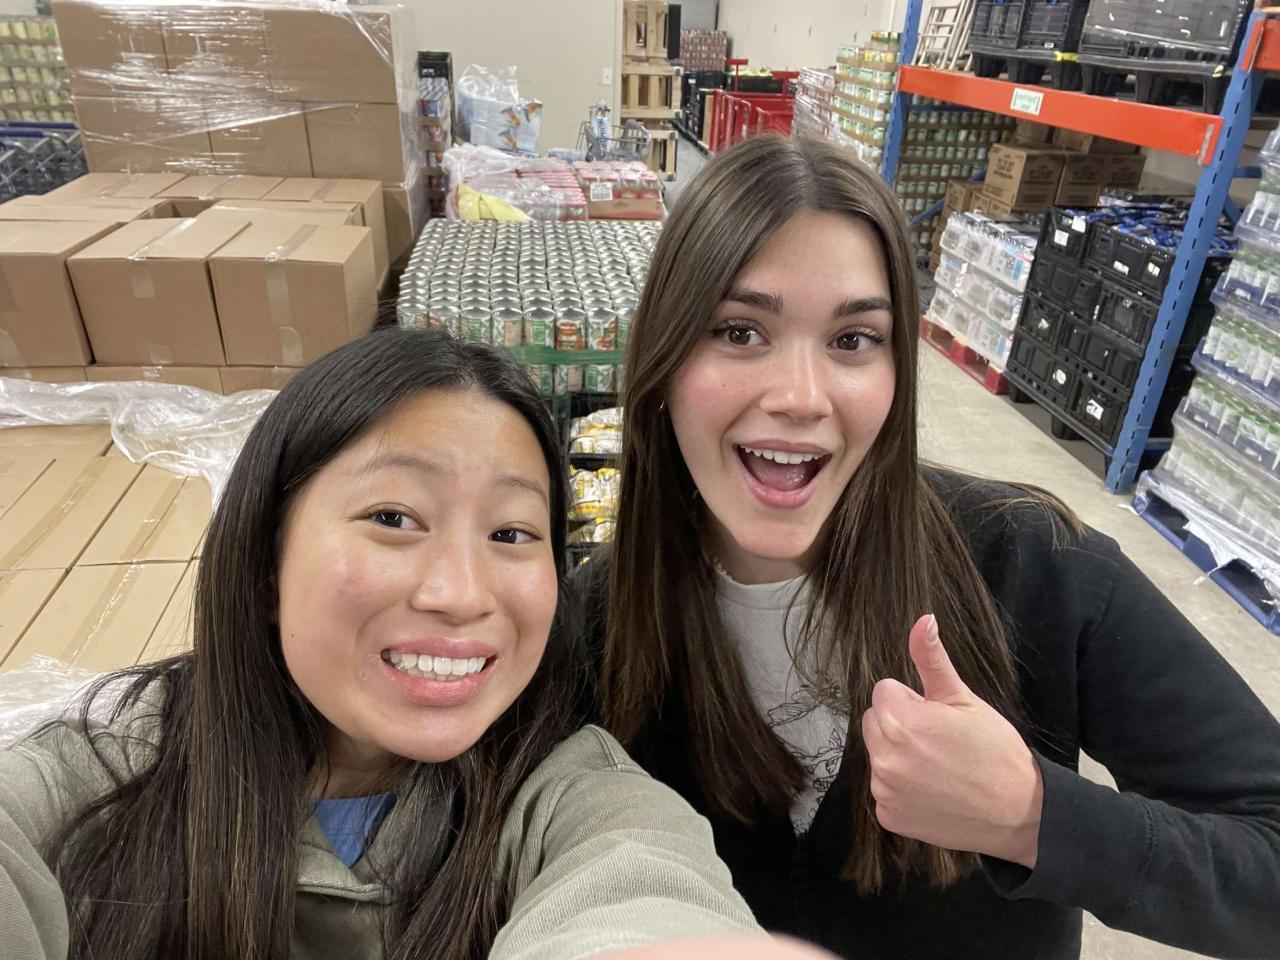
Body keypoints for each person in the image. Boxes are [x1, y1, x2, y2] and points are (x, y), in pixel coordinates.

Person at [571, 134, 1280, 960]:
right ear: (662, 358)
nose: (800, 397)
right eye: (739, 331)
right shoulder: (593, 626)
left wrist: (1033, 816)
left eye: (852, 340)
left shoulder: (1033, 565)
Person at [0, 328, 783, 960]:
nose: (462, 594)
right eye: (394, 518)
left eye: (512, 533)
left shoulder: (574, 805)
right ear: (265, 560)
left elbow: (646, 897)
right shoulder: (102, 779)